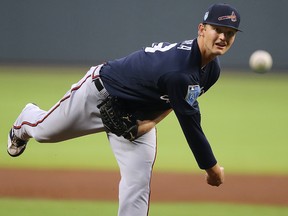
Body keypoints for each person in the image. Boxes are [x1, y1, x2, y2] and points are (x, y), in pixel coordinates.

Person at [7, 3, 241, 216]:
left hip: (139, 117)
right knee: (46, 133)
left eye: (229, 33)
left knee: (137, 183)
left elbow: (177, 102)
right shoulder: (180, 71)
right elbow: (191, 124)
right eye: (217, 30)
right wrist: (211, 169)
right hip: (99, 93)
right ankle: (25, 121)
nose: (223, 37)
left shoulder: (211, 69)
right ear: (202, 29)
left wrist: (149, 124)